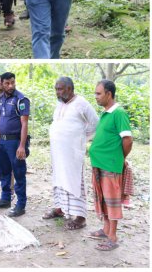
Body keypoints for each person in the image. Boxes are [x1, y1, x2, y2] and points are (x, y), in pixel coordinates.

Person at [44, 77, 99, 231]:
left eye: (60, 89)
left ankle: (80, 217)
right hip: (58, 152)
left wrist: (80, 136)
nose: (57, 92)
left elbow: (96, 123)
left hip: (73, 153)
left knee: (74, 181)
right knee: (59, 178)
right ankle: (60, 208)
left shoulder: (81, 103)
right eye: (56, 89)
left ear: (69, 88)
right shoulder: (60, 103)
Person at [88, 79, 134, 250]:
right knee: (103, 199)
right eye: (95, 93)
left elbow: (128, 140)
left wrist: (119, 158)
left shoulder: (118, 113)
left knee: (112, 201)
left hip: (110, 165)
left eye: (98, 93)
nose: (96, 97)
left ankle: (113, 237)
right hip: (99, 164)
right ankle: (106, 229)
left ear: (109, 94)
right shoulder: (106, 113)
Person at [0, 72, 30, 217]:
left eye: (13, 82)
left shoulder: (21, 99)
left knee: (19, 173)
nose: (11, 86)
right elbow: (1, 122)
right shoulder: (0, 100)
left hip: (15, 142)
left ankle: (20, 205)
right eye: (7, 83)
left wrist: (21, 146)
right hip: (3, 142)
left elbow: (24, 124)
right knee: (4, 171)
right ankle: (5, 198)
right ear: (1, 83)